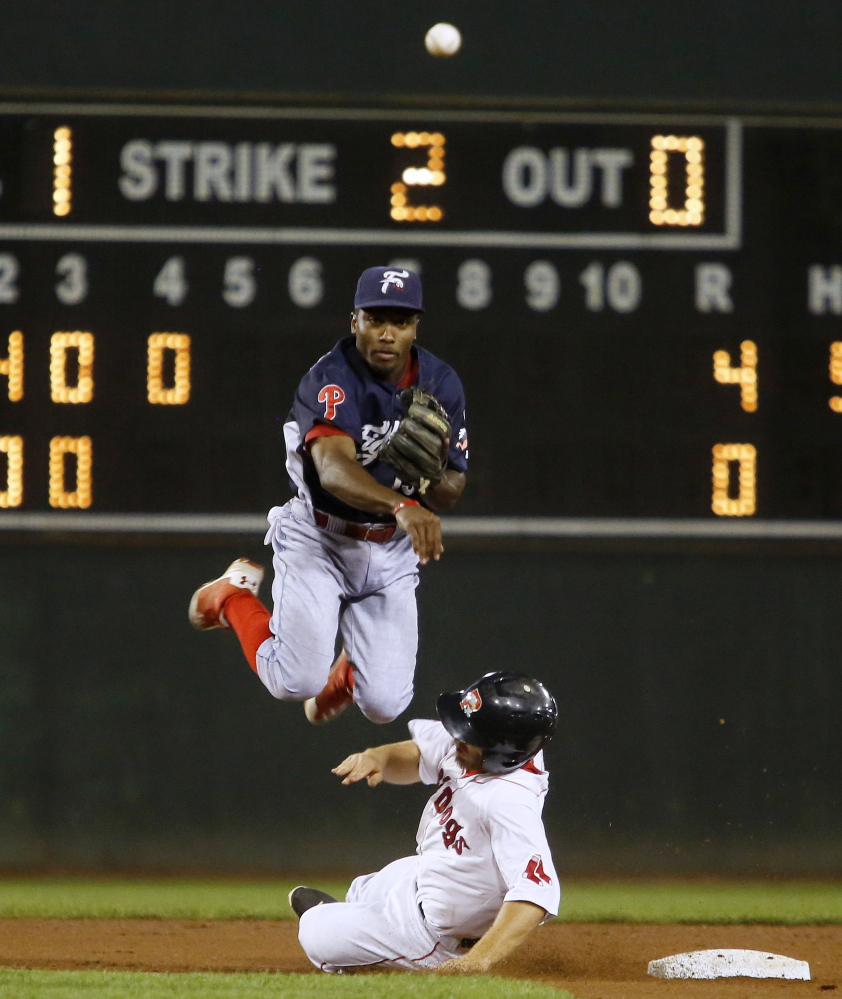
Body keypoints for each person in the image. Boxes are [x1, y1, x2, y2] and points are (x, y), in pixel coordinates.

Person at [188, 266, 468, 726]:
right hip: (321, 540)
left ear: (415, 327)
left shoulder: (440, 382)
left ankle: (349, 670)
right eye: (376, 318)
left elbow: (452, 490)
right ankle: (232, 597)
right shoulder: (332, 378)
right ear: (354, 320)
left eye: (400, 322)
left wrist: (431, 476)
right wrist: (403, 504)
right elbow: (335, 472)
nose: (387, 333)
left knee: (385, 707)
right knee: (295, 682)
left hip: (389, 552)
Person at [288, 671, 560, 974]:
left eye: (470, 735)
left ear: (504, 751)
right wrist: (379, 757)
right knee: (361, 890)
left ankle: (386, 954)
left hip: (437, 933)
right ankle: (357, 921)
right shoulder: (480, 747)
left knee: (314, 933)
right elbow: (419, 754)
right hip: (425, 876)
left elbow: (535, 893)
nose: (458, 737)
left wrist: (476, 961)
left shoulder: (508, 801)